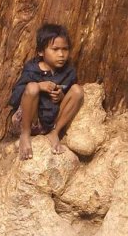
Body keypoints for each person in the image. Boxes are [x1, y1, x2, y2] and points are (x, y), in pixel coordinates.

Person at [9, 23, 84, 160]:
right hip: (29, 120)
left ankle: (55, 133)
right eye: (55, 49)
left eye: (65, 49)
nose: (61, 54)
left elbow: (69, 97)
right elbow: (14, 98)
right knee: (32, 87)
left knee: (77, 91)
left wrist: (61, 96)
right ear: (41, 52)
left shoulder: (69, 71)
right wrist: (39, 86)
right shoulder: (32, 69)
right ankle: (25, 135)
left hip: (51, 121)